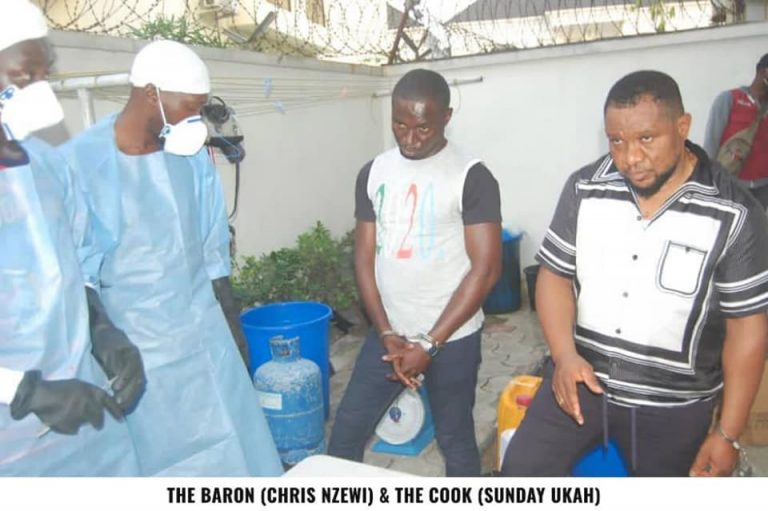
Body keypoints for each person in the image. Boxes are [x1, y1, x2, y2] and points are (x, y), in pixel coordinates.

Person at [501, 70, 768, 477]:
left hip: (673, 409)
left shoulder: (735, 212)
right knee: (520, 474)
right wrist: (564, 355)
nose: (630, 158)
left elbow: (747, 329)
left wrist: (727, 434)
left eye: (646, 138)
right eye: (617, 141)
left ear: (682, 127)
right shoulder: (585, 188)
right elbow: (554, 275)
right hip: (579, 381)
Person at [60, 40, 282, 476]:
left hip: (206, 336)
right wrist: (104, 339)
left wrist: (233, 330)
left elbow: (212, 249)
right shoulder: (81, 164)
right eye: (189, 108)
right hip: (141, 352)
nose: (195, 120)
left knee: (239, 446)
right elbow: (75, 272)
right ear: (151, 94)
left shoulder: (189, 156)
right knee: (169, 463)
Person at [328, 69, 502, 476]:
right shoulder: (374, 172)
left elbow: (486, 270)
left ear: (446, 117)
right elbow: (364, 259)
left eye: (422, 127)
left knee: (455, 440)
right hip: (390, 336)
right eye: (399, 125)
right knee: (346, 435)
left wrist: (430, 344)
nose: (409, 138)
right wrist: (386, 331)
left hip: (452, 339)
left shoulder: (471, 176)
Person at [0, 0, 144, 475]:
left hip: (84, 410)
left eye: (45, 75)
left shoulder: (48, 165)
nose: (40, 93)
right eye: (24, 77)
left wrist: (103, 332)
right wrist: (24, 391)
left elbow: (75, 263)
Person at [704, 54, 768, 207]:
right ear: (764, 72)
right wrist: (708, 181)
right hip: (731, 183)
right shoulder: (729, 99)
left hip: (763, 187)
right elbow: (711, 142)